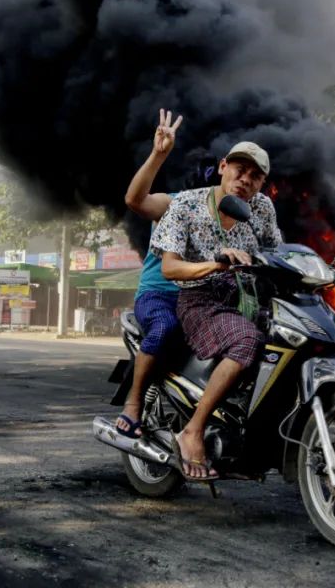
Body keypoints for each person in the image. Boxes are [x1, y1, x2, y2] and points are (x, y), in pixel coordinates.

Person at [151, 141, 282, 480]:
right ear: (224, 166)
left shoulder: (263, 208)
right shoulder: (187, 205)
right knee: (246, 340)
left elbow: (276, 251)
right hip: (200, 298)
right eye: (241, 169)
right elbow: (170, 269)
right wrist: (215, 264)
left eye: (256, 176)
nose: (246, 179)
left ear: (262, 184)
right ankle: (193, 430)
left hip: (248, 297)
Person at [114, 109, 185, 440]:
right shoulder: (176, 204)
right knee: (165, 326)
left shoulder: (237, 218)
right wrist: (158, 155)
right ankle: (134, 403)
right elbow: (135, 200)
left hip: (202, 300)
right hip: (160, 296)